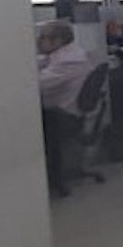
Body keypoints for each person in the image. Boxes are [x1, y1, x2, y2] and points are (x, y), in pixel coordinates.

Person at [36, 20, 94, 198]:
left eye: (43, 37)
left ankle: (49, 179)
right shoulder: (72, 54)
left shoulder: (68, 63)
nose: (38, 41)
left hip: (63, 117)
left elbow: (37, 85)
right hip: (68, 112)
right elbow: (44, 62)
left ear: (58, 41)